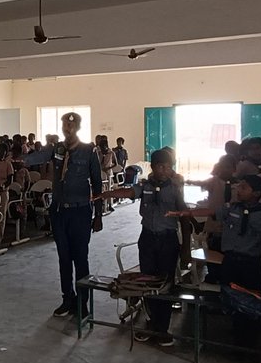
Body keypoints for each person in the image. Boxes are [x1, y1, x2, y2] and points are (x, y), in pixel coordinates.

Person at [93, 148, 185, 346]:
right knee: (147, 282)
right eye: (160, 166)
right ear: (152, 167)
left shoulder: (175, 188)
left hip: (168, 240)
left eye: (168, 167)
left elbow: (184, 216)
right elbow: (129, 192)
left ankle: (163, 328)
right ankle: (151, 323)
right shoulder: (145, 186)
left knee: (166, 284)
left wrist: (185, 248)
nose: (164, 170)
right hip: (148, 239)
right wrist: (106, 193)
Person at [21, 112, 105, 319]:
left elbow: (97, 184)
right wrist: (19, 158)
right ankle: (67, 298)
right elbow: (34, 158)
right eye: (65, 125)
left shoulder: (88, 150)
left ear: (79, 127)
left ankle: (82, 303)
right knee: (64, 258)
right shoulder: (56, 149)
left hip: (80, 211)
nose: (68, 128)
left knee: (81, 258)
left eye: (72, 125)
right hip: (59, 211)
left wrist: (98, 215)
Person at [189, 174, 261, 348]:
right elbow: (214, 215)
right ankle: (236, 336)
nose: (238, 190)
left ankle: (249, 342)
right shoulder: (231, 209)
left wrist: (253, 253)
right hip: (230, 262)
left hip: (250, 264)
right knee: (232, 298)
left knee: (250, 299)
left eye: (244, 187)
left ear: (256, 193)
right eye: (238, 186)